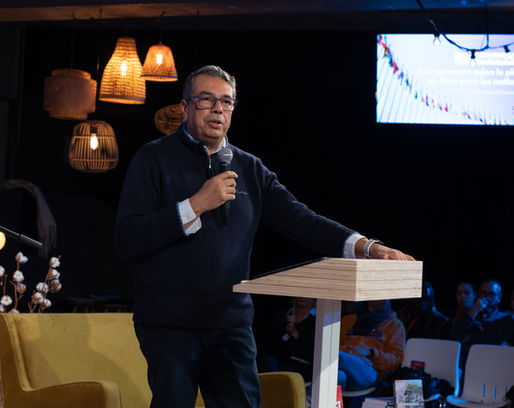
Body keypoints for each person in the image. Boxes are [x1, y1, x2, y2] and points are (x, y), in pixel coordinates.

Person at [113, 65, 414, 408]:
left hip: (230, 322)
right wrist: (195, 205)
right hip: (169, 324)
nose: (218, 109)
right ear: (185, 107)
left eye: (226, 102)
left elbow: (303, 220)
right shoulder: (153, 158)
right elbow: (127, 237)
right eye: (206, 100)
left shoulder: (250, 168)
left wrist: (368, 247)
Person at [338, 300, 406, 391]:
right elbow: (333, 345)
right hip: (344, 365)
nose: (381, 300)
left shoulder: (395, 325)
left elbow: (395, 361)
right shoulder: (348, 320)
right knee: (338, 376)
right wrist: (350, 352)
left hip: (370, 370)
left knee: (336, 357)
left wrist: (371, 353)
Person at [448, 279, 514, 369]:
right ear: (479, 295)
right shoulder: (471, 315)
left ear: (499, 297)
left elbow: (496, 340)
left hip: (495, 364)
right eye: (484, 293)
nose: (487, 297)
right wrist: (474, 311)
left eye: (491, 294)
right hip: (469, 364)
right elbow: (454, 337)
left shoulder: (506, 318)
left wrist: (470, 337)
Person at [258, 297, 317, 382]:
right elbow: (270, 343)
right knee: (267, 361)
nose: (303, 297)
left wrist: (296, 334)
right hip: (281, 361)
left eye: (308, 294)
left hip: (304, 366)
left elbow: (313, 349)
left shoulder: (317, 319)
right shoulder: (284, 315)